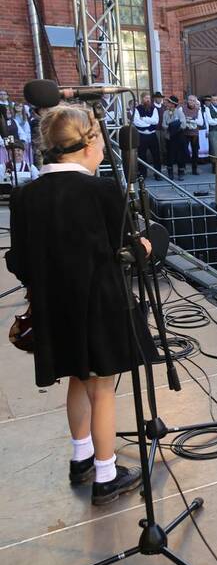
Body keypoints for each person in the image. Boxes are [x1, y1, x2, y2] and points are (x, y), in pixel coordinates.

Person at [5, 104, 152, 504]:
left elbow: (17, 261)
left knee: (76, 377)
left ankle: (81, 457)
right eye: (100, 137)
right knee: (102, 388)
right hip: (99, 306)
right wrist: (146, 244)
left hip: (56, 310)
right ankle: (106, 476)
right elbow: (128, 247)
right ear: (87, 143)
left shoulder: (24, 196)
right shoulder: (101, 190)